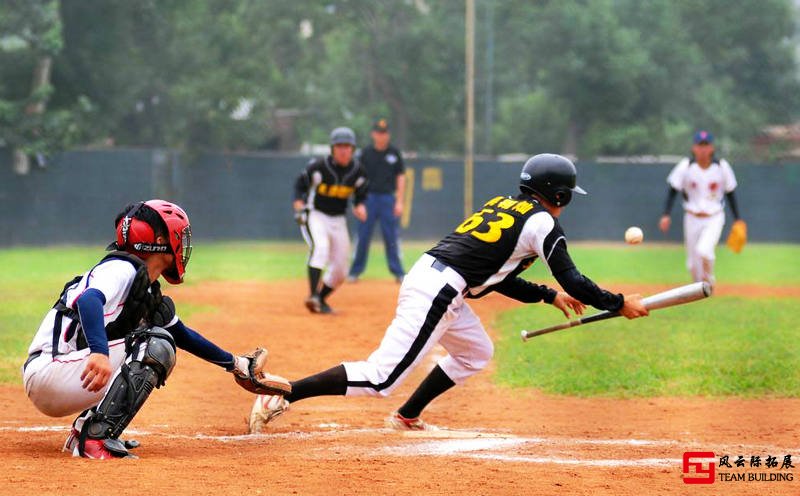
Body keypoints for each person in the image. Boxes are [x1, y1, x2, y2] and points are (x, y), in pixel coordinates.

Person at [248, 154, 649, 433]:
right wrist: (619, 302)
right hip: (439, 290)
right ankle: (281, 394)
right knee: (380, 378)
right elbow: (575, 280)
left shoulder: (504, 206)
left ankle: (407, 416)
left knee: (477, 352)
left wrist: (547, 296)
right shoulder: (543, 223)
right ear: (558, 195)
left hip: (437, 280)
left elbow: (497, 277)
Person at [21, 200, 289, 459]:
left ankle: (84, 431)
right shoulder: (120, 268)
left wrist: (237, 364)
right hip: (49, 371)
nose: (182, 244)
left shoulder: (144, 286)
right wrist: (99, 352)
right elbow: (90, 300)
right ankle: (95, 439)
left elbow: (181, 333)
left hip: (65, 374)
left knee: (159, 337)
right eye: (178, 236)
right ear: (160, 241)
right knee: (154, 345)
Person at [293, 126, 368, 314]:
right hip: (316, 214)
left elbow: (360, 194)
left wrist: (359, 205)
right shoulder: (318, 167)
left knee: (342, 269)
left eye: (347, 146)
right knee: (321, 249)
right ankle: (312, 295)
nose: (343, 150)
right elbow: (300, 183)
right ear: (332, 148)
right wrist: (298, 202)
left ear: (353, 149)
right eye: (339, 146)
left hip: (338, 219)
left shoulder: (358, 171)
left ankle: (320, 298)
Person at [659, 130, 742, 286]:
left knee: (704, 250)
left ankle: (709, 280)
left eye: (706, 145)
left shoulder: (721, 167)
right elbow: (673, 190)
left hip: (714, 217)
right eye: (700, 145)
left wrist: (738, 219)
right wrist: (666, 214)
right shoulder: (686, 166)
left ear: (712, 148)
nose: (703, 149)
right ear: (694, 148)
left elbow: (730, 192)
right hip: (692, 218)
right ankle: (699, 288)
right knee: (692, 264)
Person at [348, 119, 406, 283]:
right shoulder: (365, 153)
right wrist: (358, 202)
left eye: (385, 133)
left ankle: (398, 272)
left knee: (391, 237)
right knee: (363, 236)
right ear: (373, 134)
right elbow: (356, 177)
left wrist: (399, 201)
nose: (382, 136)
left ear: (388, 134)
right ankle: (355, 271)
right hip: (368, 199)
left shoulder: (394, 154)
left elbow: (401, 177)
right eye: (379, 133)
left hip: (388, 198)